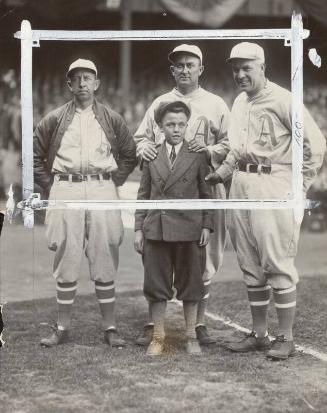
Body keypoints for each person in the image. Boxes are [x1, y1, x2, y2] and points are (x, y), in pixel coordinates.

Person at [206, 42, 326, 359]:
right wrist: (221, 173)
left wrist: (298, 185)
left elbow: (316, 144)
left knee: (276, 261)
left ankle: (284, 337)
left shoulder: (284, 99)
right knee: (249, 262)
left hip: (274, 181)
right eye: (235, 68)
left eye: (246, 67)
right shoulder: (239, 102)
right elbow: (236, 149)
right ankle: (259, 334)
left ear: (262, 67)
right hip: (241, 183)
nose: (240, 74)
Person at [34, 58, 137, 347]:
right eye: (76, 78)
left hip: (102, 186)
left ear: (97, 83)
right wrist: (51, 186)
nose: (82, 83)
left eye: (87, 78)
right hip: (65, 187)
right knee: (66, 257)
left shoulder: (111, 118)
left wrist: (113, 182)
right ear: (68, 84)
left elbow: (130, 154)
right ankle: (62, 328)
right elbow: (34, 157)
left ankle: (111, 327)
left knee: (105, 256)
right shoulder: (54, 118)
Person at [134, 44, 230, 346]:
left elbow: (230, 144)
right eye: (179, 65)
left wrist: (210, 151)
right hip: (163, 187)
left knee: (204, 258)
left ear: (201, 68)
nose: (185, 69)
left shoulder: (215, 103)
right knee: (157, 260)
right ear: (172, 70)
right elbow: (141, 138)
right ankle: (154, 324)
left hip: (206, 184)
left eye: (191, 64)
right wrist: (144, 147)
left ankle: (198, 324)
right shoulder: (160, 102)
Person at [134, 100, 214, 355]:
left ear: (187, 125)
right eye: (170, 124)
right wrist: (138, 229)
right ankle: (158, 336)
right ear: (160, 126)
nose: (176, 129)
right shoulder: (151, 154)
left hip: (189, 229)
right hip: (156, 228)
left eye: (181, 124)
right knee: (156, 284)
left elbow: (206, 194)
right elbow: (143, 194)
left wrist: (206, 225)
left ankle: (191, 336)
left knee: (191, 282)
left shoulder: (198, 154)